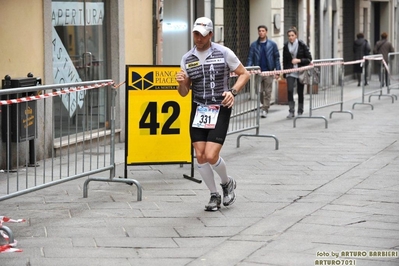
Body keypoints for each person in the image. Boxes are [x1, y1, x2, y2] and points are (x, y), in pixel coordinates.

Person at [176, 17, 250, 211]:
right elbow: (184, 93)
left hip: (220, 107)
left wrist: (232, 92)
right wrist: (181, 82)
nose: (198, 39)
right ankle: (214, 195)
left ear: (210, 35)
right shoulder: (187, 58)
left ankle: (227, 183)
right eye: (195, 34)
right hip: (199, 108)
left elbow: (245, 74)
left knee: (211, 154)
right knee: (199, 155)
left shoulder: (224, 52)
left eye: (202, 35)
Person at [247, 25, 281, 118]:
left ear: (266, 32)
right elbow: (250, 57)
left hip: (268, 71)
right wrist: (248, 69)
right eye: (260, 31)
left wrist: (277, 71)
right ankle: (263, 105)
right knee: (258, 91)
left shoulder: (272, 44)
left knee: (268, 91)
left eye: (263, 31)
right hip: (258, 72)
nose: (261, 32)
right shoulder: (254, 45)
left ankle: (265, 108)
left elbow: (276, 58)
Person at [282, 27, 312, 118]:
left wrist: (299, 60)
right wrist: (284, 72)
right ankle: (291, 110)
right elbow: (285, 60)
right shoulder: (286, 46)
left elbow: (309, 59)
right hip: (290, 71)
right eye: (289, 36)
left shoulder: (302, 44)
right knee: (290, 90)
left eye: (292, 35)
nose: (291, 37)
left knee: (300, 91)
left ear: (296, 35)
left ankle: (300, 109)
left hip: (300, 71)